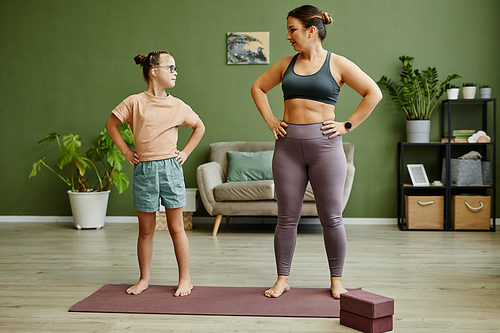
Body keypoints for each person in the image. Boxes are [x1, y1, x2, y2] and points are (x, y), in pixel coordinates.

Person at [251, 5, 382, 299]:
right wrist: (271, 120)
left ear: (312, 31)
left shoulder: (338, 64)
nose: (288, 36)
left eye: (292, 30)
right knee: (286, 218)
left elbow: (374, 92)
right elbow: (258, 88)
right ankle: (282, 278)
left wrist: (347, 125)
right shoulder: (286, 64)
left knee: (331, 217)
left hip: (325, 147)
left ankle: (337, 280)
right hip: (287, 148)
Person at [106, 51, 205, 297]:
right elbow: (111, 125)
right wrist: (127, 152)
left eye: (175, 69)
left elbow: (199, 127)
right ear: (153, 71)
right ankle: (144, 278)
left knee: (176, 228)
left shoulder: (178, 105)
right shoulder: (134, 102)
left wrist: (185, 153)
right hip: (145, 170)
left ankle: (185, 279)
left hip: (171, 168)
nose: (175, 72)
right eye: (170, 68)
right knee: (146, 230)